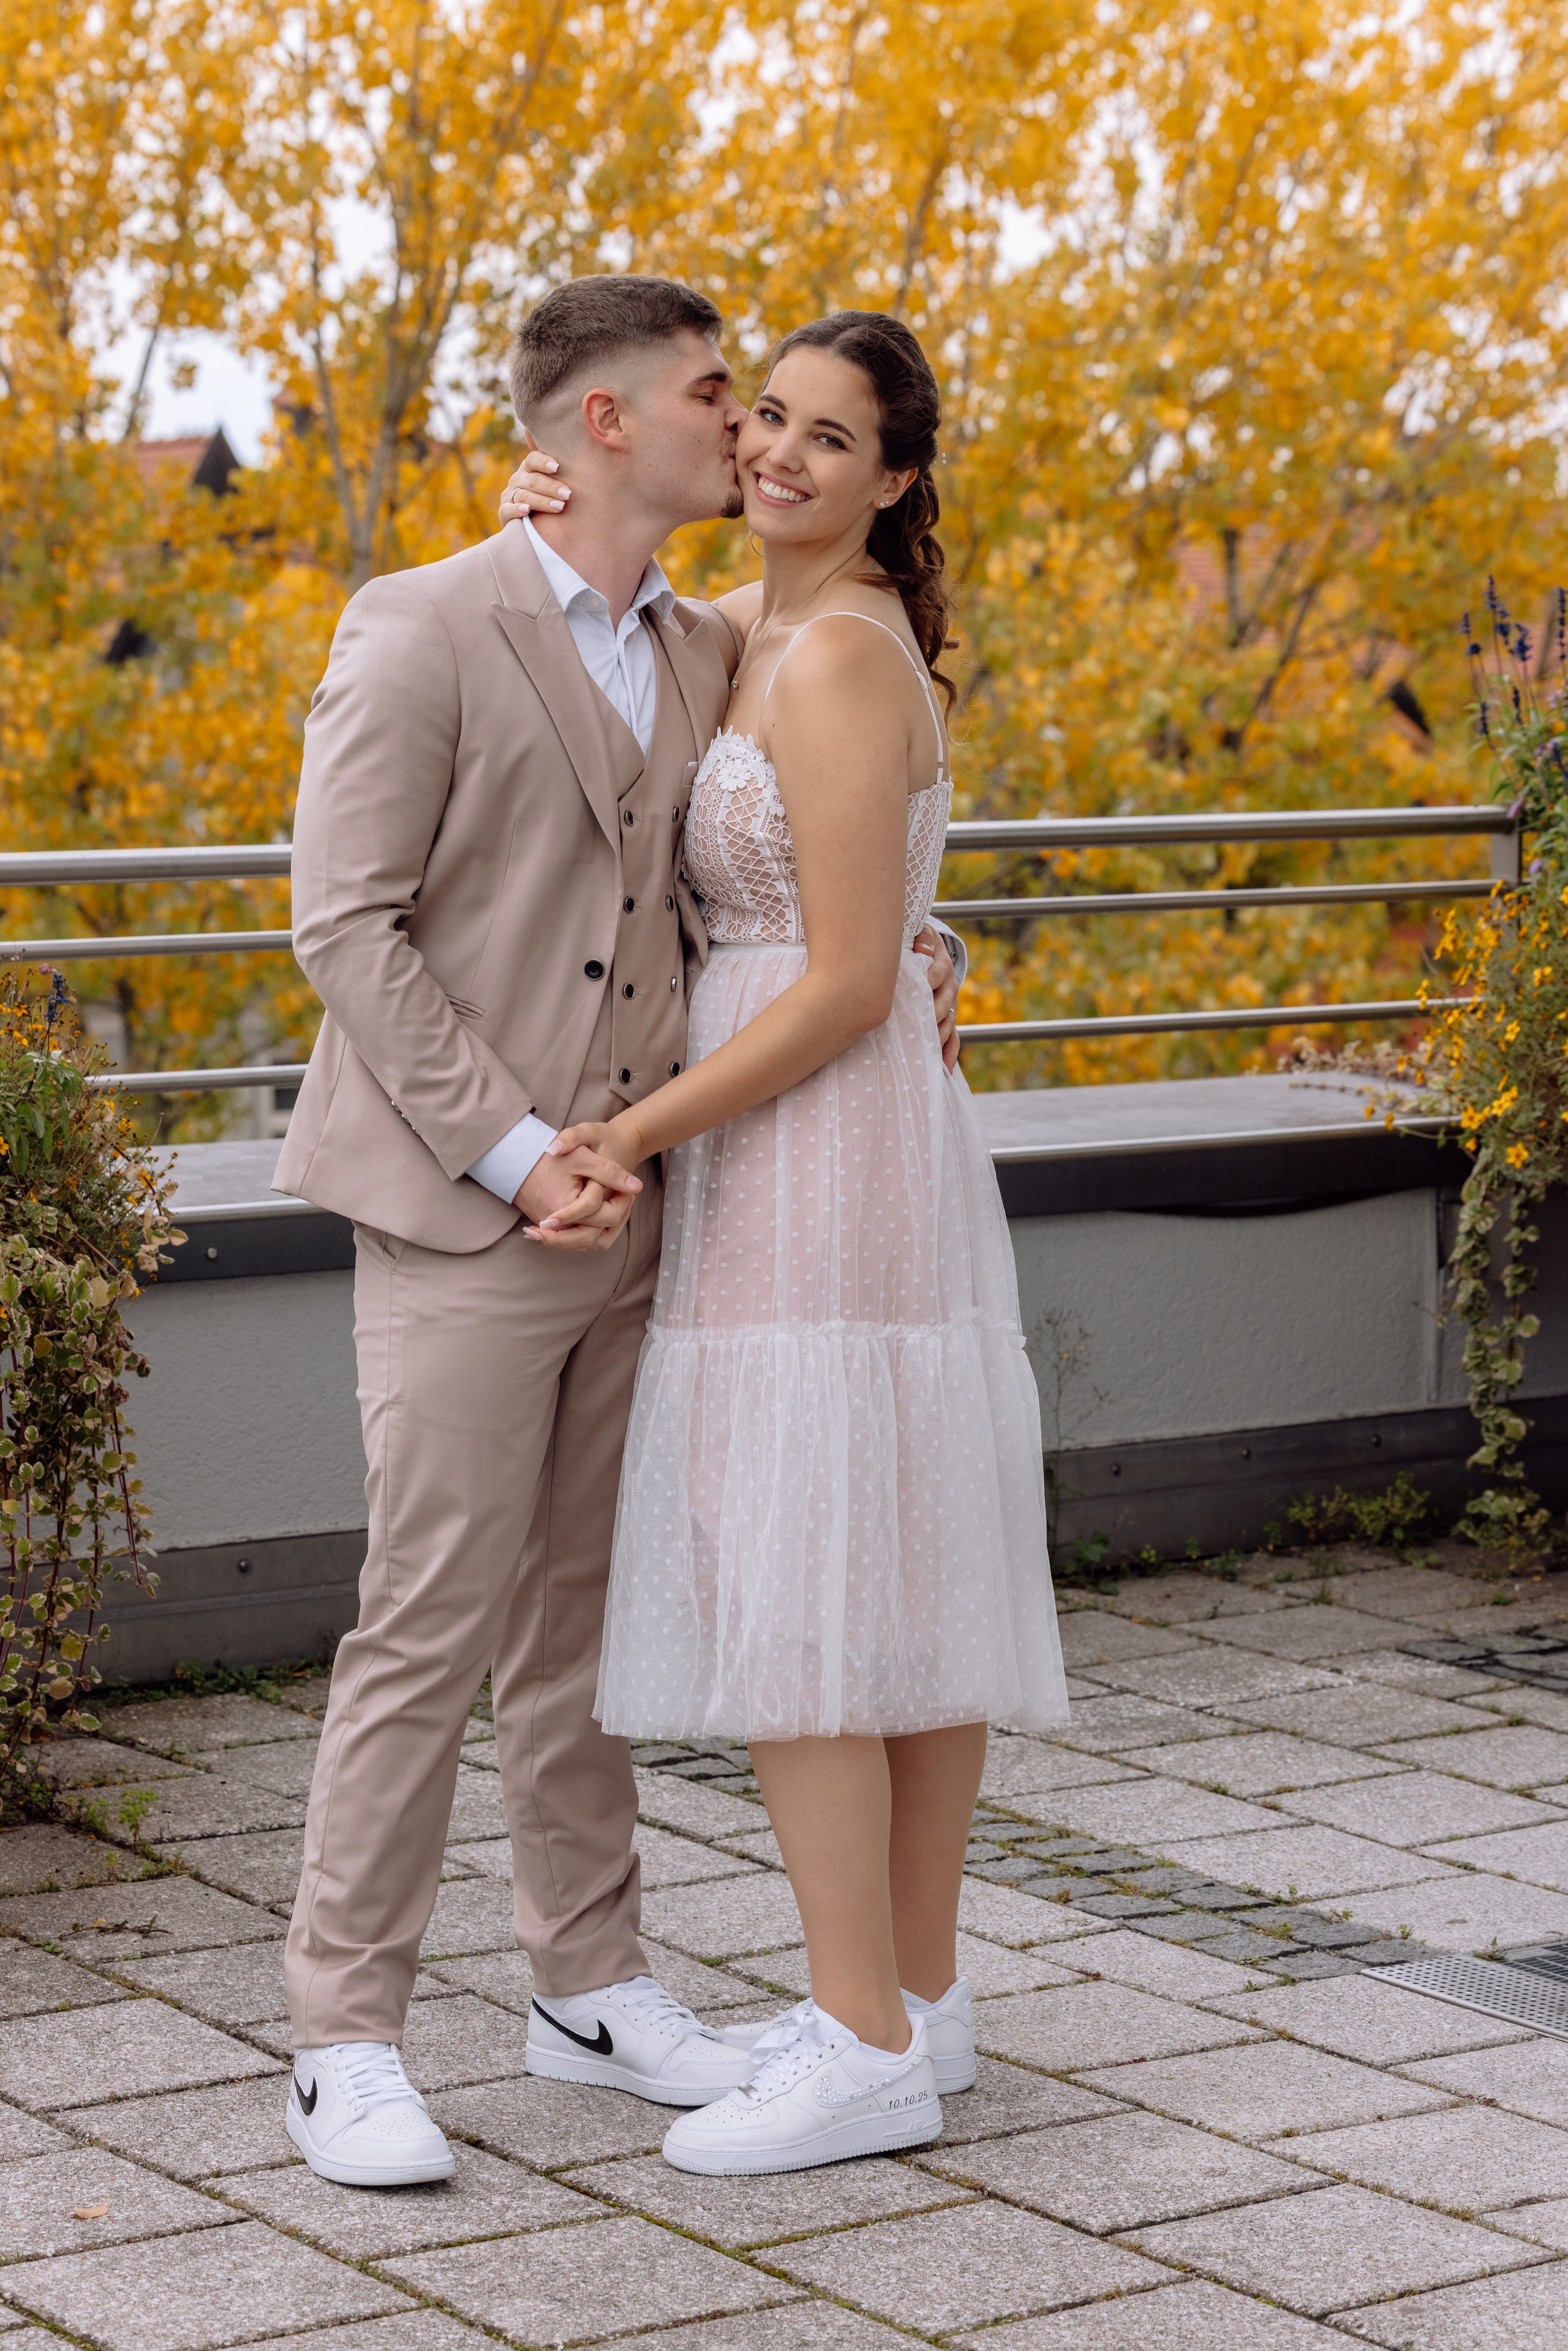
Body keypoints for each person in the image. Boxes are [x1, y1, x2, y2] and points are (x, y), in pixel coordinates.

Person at [270, 275, 962, 2188]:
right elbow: (343, 928)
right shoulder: (423, 620)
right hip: (472, 1205)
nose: (744, 428)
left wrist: (922, 944)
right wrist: (517, 1154)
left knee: (585, 1619)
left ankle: (586, 1981)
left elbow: (819, 845)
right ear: (603, 423)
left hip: (661, 1205)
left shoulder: (707, 638)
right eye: (718, 394)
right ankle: (342, 2033)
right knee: (429, 1622)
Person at [507, 310, 1067, 2176]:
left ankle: (857, 2043)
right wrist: (541, 507)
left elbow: (838, 982)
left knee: (809, 1576)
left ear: (896, 480)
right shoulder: (753, 628)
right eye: (767, 415)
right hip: (836, 1134)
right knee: (886, 1563)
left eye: (833, 437)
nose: (778, 453)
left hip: (809, 1137)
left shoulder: (828, 657)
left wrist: (633, 1130)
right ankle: (917, 1997)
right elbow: (609, 625)